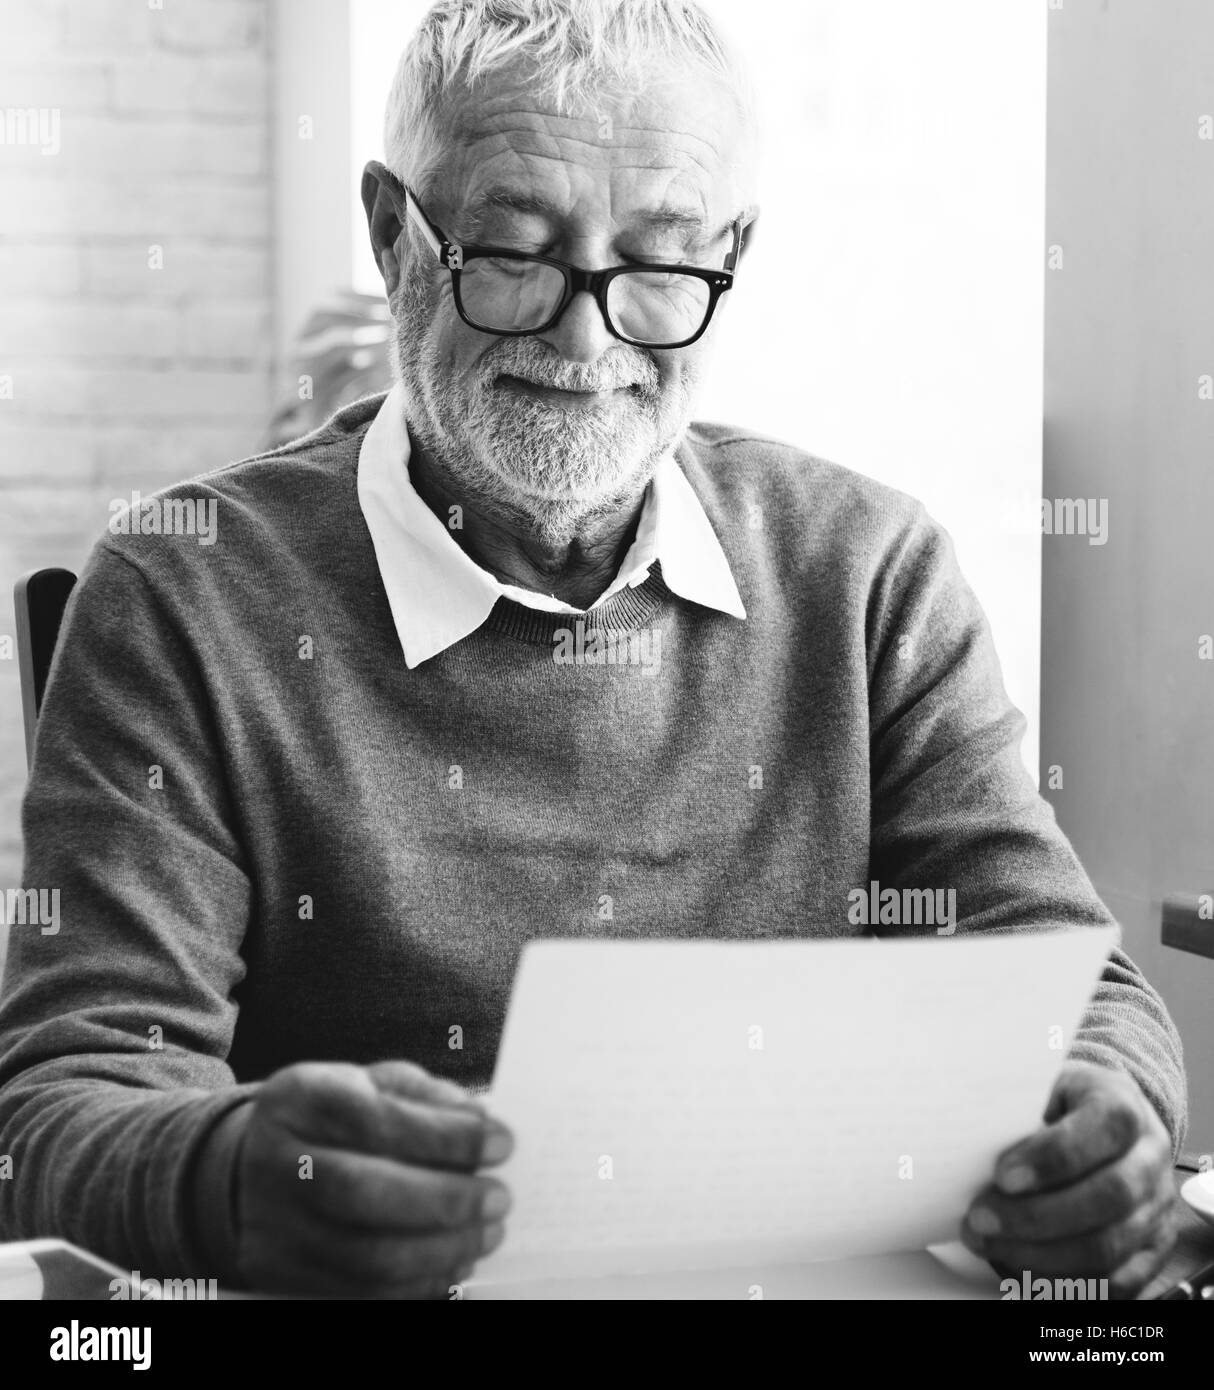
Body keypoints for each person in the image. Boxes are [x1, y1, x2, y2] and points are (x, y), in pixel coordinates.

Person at [0, 0, 1185, 1299]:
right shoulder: (187, 588)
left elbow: (1076, 981)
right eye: (512, 253)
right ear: (395, 236)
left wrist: (1102, 1118)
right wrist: (228, 1168)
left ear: (731, 255)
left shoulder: (867, 570)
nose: (587, 337)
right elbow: (71, 1090)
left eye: (664, 265)